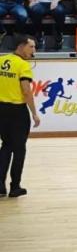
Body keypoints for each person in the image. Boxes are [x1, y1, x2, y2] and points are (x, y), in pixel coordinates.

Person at [0, 35, 40, 198]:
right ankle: (15, 186)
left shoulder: (2, 60)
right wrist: (34, 113)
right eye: (31, 47)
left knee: (6, 146)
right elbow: (26, 91)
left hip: (1, 109)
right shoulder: (23, 66)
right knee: (19, 150)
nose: (33, 51)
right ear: (21, 46)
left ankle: (0, 187)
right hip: (17, 112)